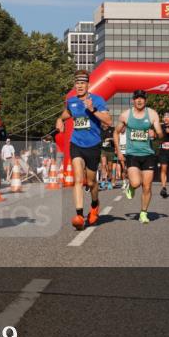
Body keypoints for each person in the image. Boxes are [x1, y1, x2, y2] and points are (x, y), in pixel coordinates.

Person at [57, 70, 111, 228]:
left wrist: (92, 109)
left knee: (92, 182)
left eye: (82, 83)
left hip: (93, 145)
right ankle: (79, 216)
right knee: (79, 180)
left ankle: (94, 205)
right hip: (76, 144)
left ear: (88, 85)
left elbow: (108, 120)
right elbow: (66, 113)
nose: (79, 86)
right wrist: (59, 120)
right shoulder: (72, 101)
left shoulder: (98, 100)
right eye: (77, 83)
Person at [113, 90, 162, 224]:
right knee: (136, 183)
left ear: (146, 100)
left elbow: (160, 133)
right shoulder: (125, 115)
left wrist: (155, 134)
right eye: (137, 98)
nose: (139, 100)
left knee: (147, 186)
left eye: (142, 98)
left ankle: (143, 213)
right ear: (133, 100)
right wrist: (119, 151)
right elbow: (115, 133)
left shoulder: (152, 114)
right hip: (132, 154)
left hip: (148, 154)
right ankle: (131, 186)